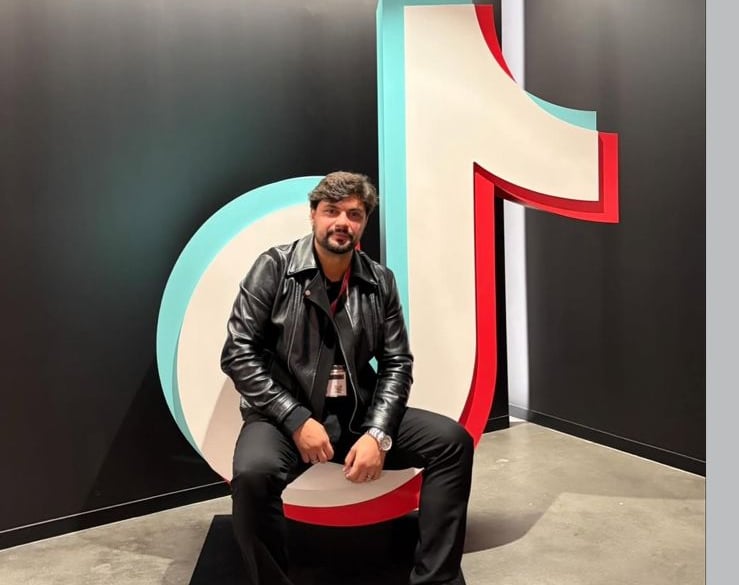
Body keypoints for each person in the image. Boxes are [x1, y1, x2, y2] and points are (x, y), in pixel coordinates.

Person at [221, 171, 474, 585]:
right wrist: (295, 419)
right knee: (252, 474)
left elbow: (397, 363)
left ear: (364, 222)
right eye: (332, 211)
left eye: (354, 214)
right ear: (313, 215)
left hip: (357, 415)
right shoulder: (274, 267)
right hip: (283, 418)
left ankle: (436, 580)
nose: (342, 222)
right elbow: (238, 352)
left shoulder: (379, 280)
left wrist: (378, 433)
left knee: (452, 443)